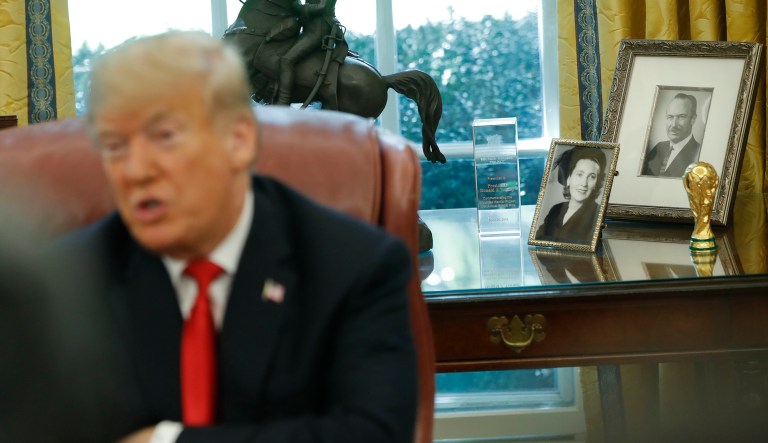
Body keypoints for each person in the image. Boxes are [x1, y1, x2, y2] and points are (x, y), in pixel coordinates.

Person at [44, 30, 417, 443]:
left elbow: (374, 433)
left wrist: (166, 442)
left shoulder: (352, 266)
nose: (135, 171)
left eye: (164, 137)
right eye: (114, 146)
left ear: (238, 140)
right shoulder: (63, 285)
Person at [536, 147, 607, 244]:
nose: (584, 183)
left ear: (596, 183)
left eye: (592, 177)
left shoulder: (596, 214)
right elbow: (539, 240)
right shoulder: (556, 209)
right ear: (568, 178)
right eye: (579, 174)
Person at [276, 0, 341, 105]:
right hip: (310, 25)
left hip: (319, 27)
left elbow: (321, 7)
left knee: (287, 60)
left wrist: (298, 6)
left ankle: (283, 101)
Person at [641, 93, 702, 177]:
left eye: (681, 117)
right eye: (670, 117)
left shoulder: (699, 153)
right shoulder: (659, 147)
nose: (673, 125)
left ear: (693, 119)